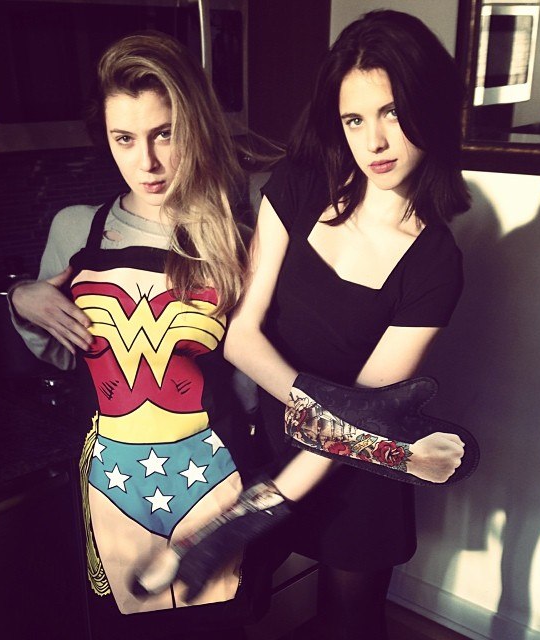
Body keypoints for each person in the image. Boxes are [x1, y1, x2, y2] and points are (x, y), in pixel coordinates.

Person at [142, 9, 475, 640]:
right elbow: (241, 335)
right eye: (355, 119)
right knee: (238, 608)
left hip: (357, 473)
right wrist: (311, 418)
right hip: (268, 449)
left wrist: (253, 512)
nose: (375, 142)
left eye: (393, 113)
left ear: (429, 108)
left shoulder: (436, 264)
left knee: (351, 623)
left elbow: (365, 421)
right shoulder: (297, 186)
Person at [9, 30, 262, 640]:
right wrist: (21, 299)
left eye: (164, 134)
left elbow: (255, 376)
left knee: (216, 626)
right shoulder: (77, 230)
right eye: (124, 138)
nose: (146, 161)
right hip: (114, 484)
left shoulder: (239, 231)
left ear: (195, 127)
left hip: (214, 477)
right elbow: (58, 355)